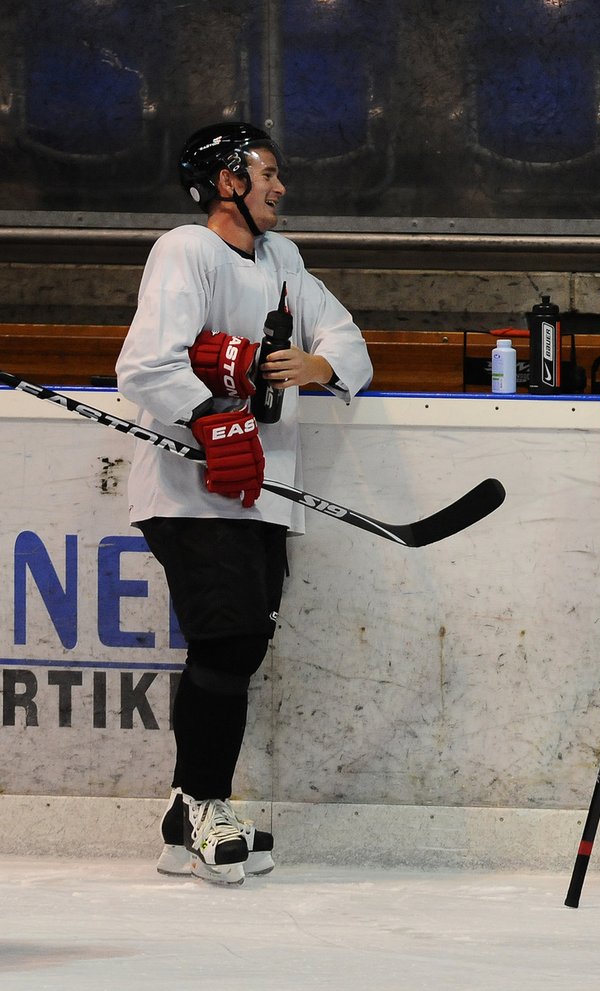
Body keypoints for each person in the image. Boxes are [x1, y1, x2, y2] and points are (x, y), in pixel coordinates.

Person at [116, 122, 373, 885]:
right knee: (227, 640)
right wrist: (205, 415)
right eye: (267, 172)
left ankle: (183, 815)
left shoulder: (284, 260)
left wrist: (321, 361)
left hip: (260, 492)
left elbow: (346, 335)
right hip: (189, 489)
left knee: (239, 646)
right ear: (227, 181)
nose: (280, 185)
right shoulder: (185, 251)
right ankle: (205, 803)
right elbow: (145, 365)